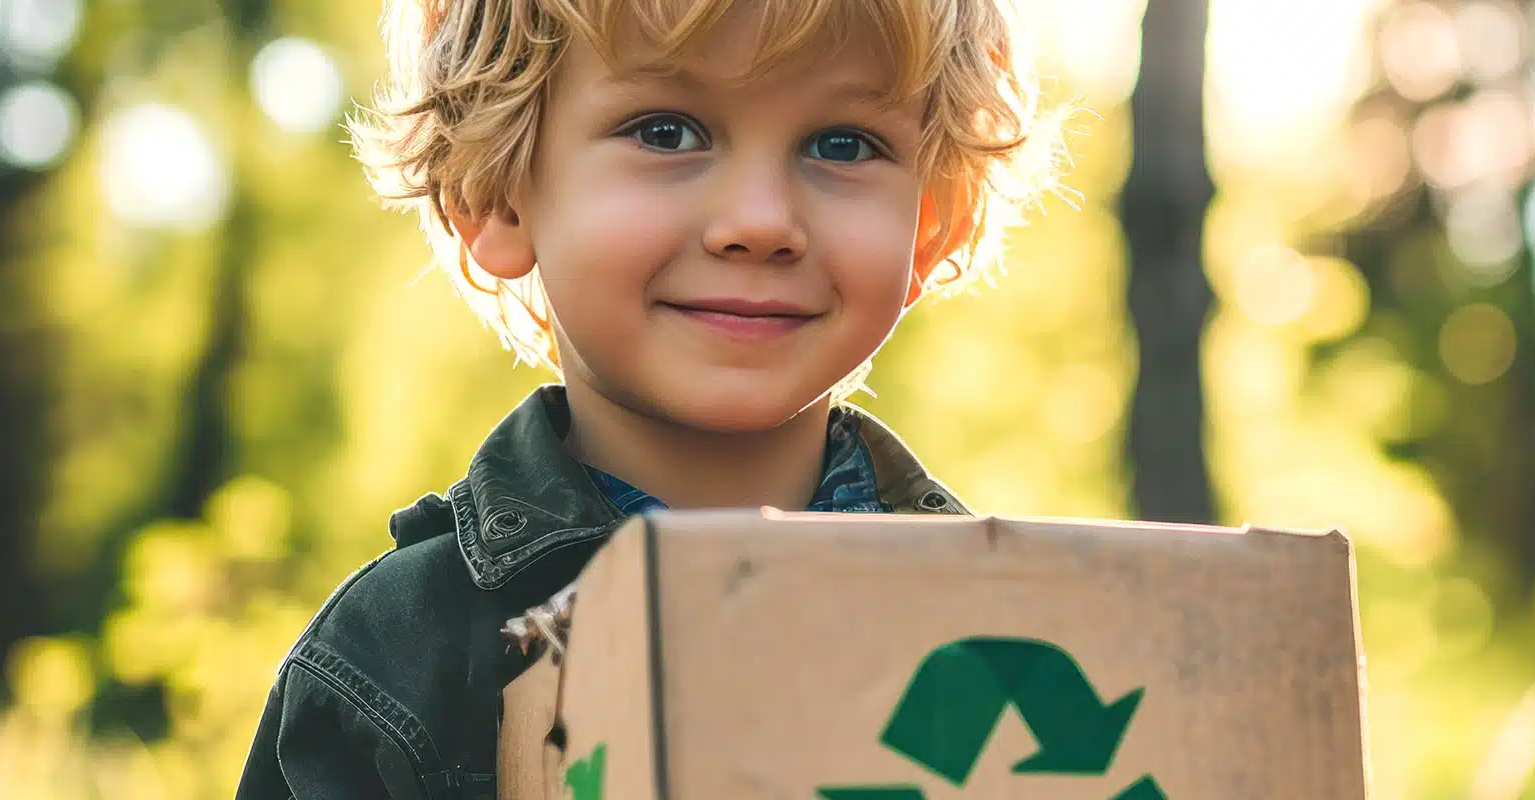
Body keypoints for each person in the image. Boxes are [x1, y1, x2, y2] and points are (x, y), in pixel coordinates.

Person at [235, 0, 1058, 794]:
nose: (761, 221)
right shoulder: (399, 660)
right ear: (495, 193)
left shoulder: (1024, 627)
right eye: (666, 132)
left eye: (842, 144)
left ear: (933, 221)